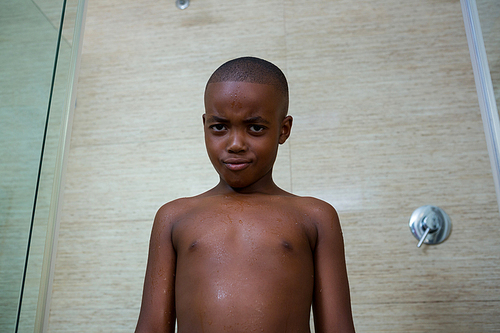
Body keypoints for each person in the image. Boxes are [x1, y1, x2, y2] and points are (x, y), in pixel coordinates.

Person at [135, 56, 355, 333]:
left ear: (283, 130)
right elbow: (152, 327)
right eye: (219, 127)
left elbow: (337, 328)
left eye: (255, 128)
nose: (236, 144)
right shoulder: (174, 216)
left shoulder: (315, 216)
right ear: (205, 125)